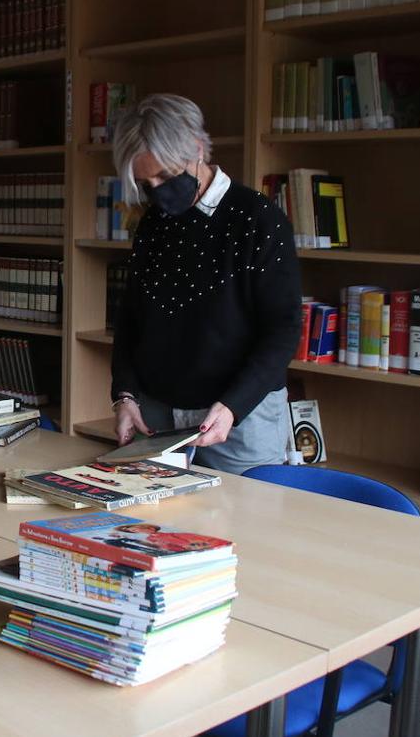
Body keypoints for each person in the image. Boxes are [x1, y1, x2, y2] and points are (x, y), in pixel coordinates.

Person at [109, 94, 301, 476]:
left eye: (165, 175)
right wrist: (124, 396)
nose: (158, 191)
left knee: (248, 526)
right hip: (157, 414)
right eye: (146, 184)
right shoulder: (152, 223)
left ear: (197, 148)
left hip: (240, 419)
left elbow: (283, 330)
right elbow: (131, 318)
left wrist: (233, 406)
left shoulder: (259, 219)